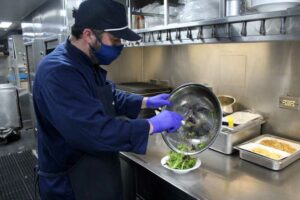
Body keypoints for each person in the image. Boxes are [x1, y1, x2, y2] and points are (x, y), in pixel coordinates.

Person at [33, 0, 183, 199]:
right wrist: (151, 125)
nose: (120, 47)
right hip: (71, 183)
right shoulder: (59, 72)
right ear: (88, 35)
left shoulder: (87, 61)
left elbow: (108, 95)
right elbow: (94, 132)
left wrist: (145, 102)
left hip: (97, 172)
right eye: (115, 40)